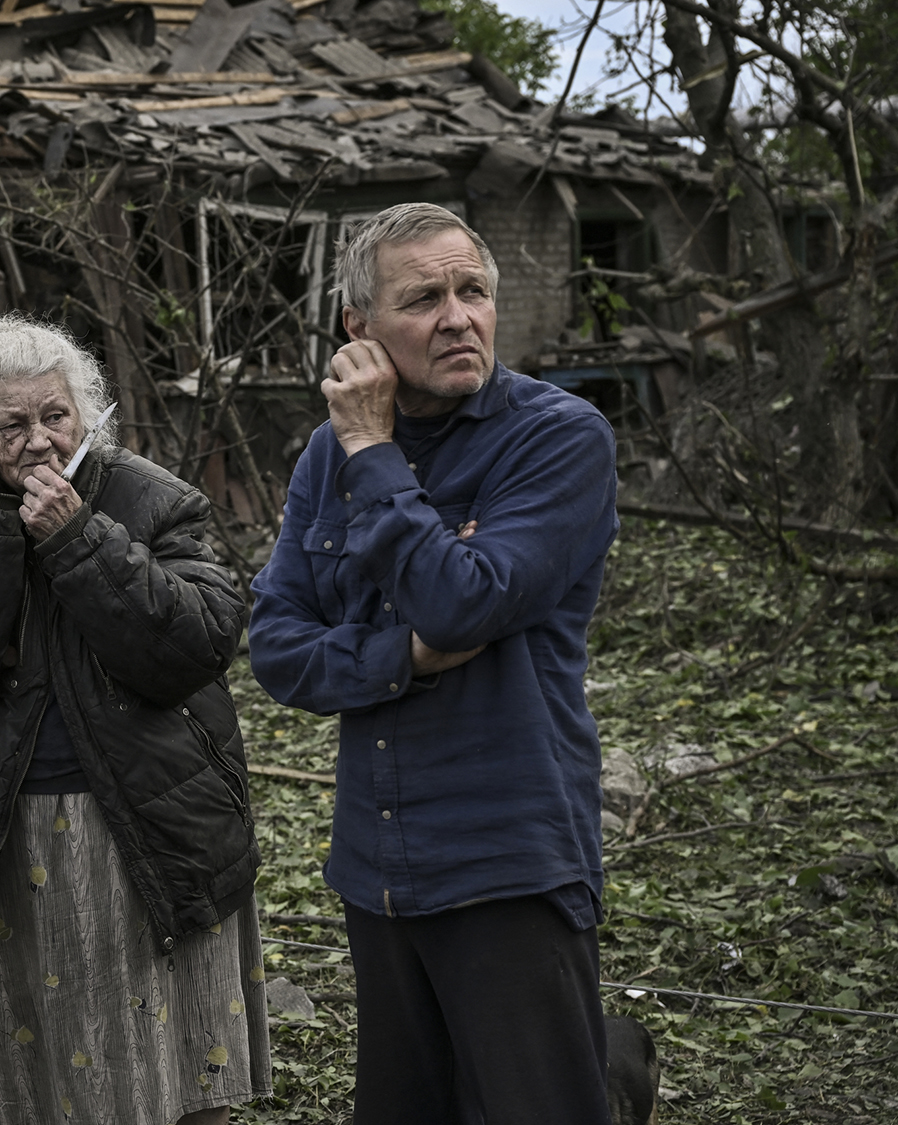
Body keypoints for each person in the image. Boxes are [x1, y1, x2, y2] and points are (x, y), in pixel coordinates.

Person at [249, 202, 620, 1123]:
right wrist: (405, 653)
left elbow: (465, 599)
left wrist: (374, 447)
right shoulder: (319, 456)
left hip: (510, 862)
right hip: (376, 866)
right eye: (424, 298)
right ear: (359, 331)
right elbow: (277, 646)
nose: (459, 316)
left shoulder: (560, 437)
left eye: (474, 291)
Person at [0, 314, 267, 1125]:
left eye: (55, 415)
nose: (40, 441)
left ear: (85, 412)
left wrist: (78, 538)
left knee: (186, 1062)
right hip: (22, 828)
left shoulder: (146, 495)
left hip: (156, 819)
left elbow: (196, 643)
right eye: (13, 424)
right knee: (62, 1064)